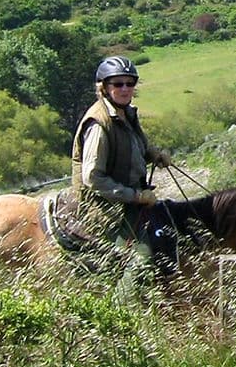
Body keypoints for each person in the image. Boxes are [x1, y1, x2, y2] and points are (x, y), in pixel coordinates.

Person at [72, 55, 173, 300]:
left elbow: (133, 146)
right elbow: (93, 178)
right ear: (104, 87)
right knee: (141, 259)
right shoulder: (99, 123)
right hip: (105, 207)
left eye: (130, 83)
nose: (125, 89)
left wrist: (154, 155)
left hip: (127, 200)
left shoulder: (125, 113)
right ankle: (122, 312)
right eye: (118, 84)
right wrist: (136, 197)